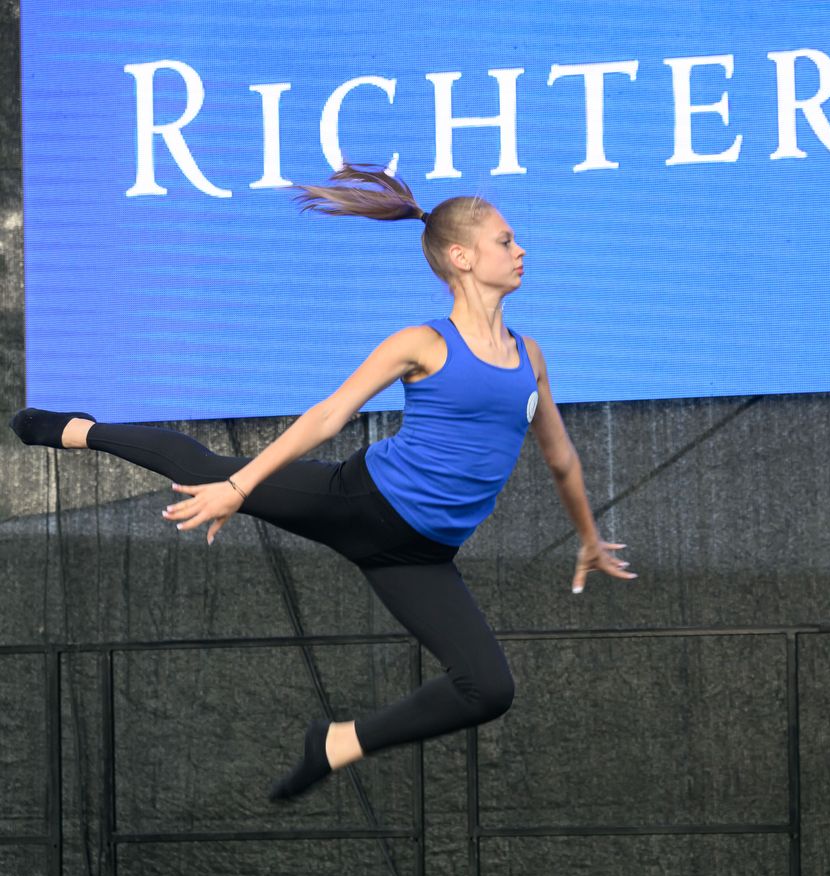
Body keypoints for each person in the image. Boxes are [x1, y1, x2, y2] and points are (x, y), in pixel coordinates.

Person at [10, 165, 636, 801]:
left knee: (489, 689)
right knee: (203, 471)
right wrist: (241, 488)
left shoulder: (530, 357)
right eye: (505, 240)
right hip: (361, 504)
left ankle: (336, 743)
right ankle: (76, 429)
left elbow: (561, 458)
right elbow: (329, 415)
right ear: (462, 257)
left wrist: (588, 537)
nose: (520, 249)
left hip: (422, 556)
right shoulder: (423, 343)